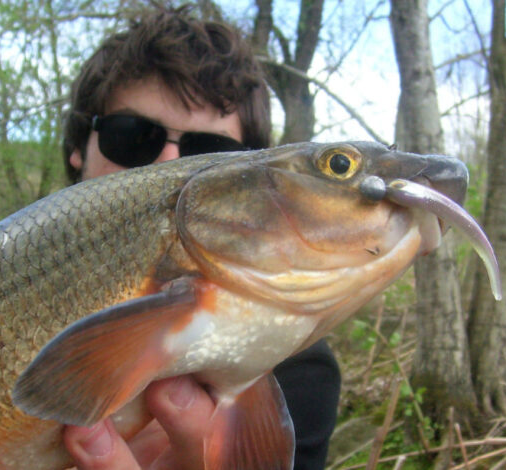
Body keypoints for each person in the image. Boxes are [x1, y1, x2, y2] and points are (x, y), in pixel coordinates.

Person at [60, 6, 341, 470]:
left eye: (209, 155)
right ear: (78, 149)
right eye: (131, 137)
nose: (167, 167)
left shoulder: (300, 372)